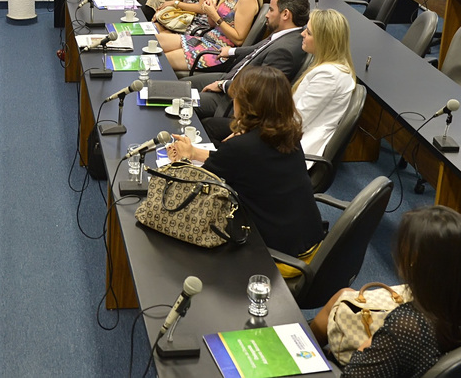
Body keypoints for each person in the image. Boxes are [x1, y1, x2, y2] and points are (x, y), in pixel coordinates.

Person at [166, 65, 324, 266]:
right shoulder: (288, 136)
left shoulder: (241, 147)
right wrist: (194, 153)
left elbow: (191, 191)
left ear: (246, 105)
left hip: (277, 256)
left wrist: (180, 161)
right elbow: (239, 163)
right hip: (310, 243)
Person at [310, 205, 461, 377]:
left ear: (413, 259)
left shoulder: (406, 326)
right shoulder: (447, 309)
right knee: (344, 294)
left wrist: (364, 348)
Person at [185, 0, 310, 122]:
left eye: (271, 10)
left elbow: (260, 88)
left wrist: (223, 85)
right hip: (230, 78)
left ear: (285, 14)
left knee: (179, 101)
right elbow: (257, 49)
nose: (267, 15)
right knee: (180, 86)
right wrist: (231, 51)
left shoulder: (285, 51)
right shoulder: (287, 35)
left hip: (230, 99)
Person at [293, 9, 356, 159]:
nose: (302, 34)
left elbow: (296, 121)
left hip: (296, 150)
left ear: (324, 41)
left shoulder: (328, 76)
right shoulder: (331, 67)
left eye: (308, 33)